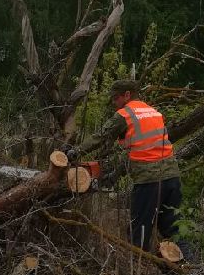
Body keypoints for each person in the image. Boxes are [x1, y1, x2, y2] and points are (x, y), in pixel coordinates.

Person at [78, 79, 183, 253]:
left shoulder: (126, 114)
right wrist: (114, 173)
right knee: (173, 229)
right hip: (172, 177)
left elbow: (100, 137)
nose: (114, 103)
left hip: (149, 181)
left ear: (127, 95)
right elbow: (139, 148)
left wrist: (76, 151)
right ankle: (189, 269)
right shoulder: (152, 112)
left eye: (116, 98)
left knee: (138, 232)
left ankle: (139, 274)